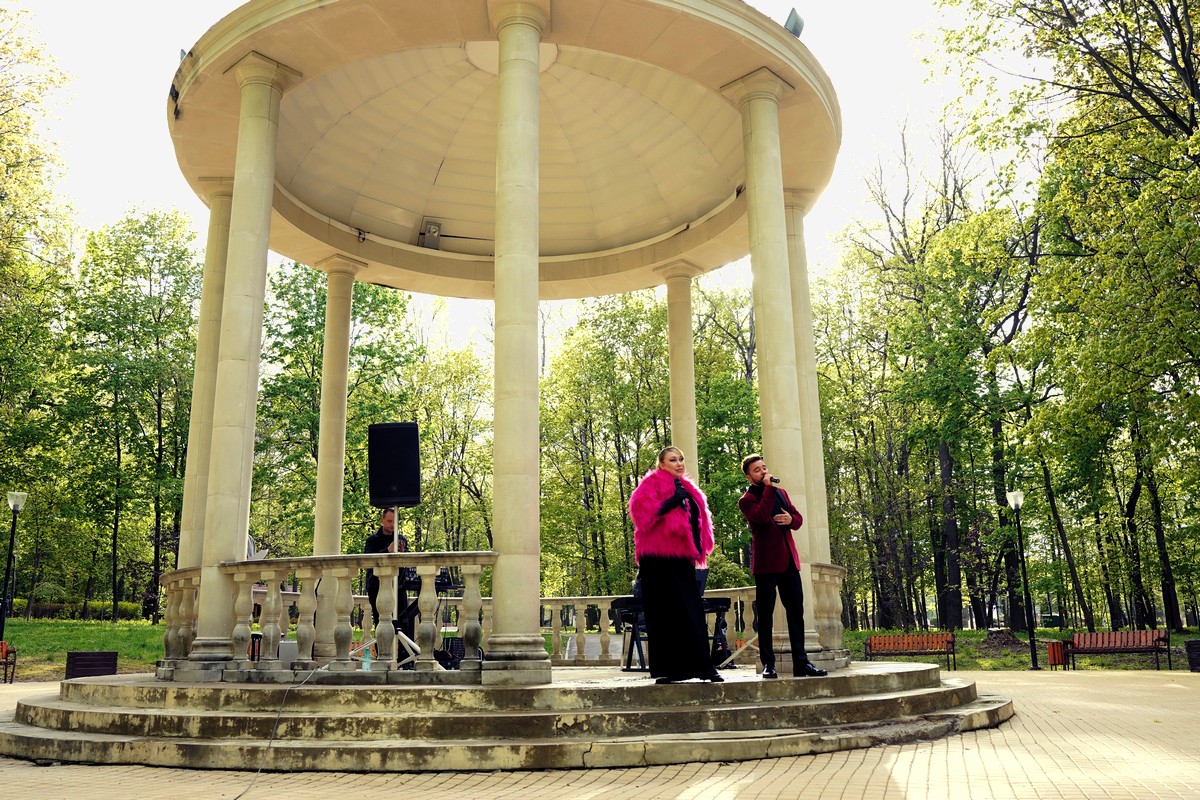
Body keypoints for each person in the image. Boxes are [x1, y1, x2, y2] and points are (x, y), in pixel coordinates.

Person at [628, 446, 722, 684]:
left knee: (690, 610)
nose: (679, 463)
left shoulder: (688, 488)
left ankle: (704, 668)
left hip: (681, 557)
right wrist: (670, 502)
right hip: (656, 558)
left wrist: (698, 548)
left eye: (681, 459)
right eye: (673, 460)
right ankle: (667, 670)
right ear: (661, 464)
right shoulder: (650, 484)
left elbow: (698, 521)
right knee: (662, 613)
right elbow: (640, 515)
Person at [738, 453, 827, 679]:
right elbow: (760, 517)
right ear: (749, 477)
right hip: (766, 564)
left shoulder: (781, 493)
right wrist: (768, 488)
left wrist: (791, 520)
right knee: (765, 616)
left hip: (788, 561)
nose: (763, 472)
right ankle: (768, 664)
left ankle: (801, 663)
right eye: (757, 470)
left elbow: (797, 518)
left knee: (796, 612)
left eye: (764, 467)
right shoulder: (746, 500)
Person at [363, 507, 413, 641]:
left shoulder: (401, 539)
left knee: (404, 623)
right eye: (389, 521)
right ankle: (382, 652)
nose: (392, 525)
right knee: (380, 621)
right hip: (377, 587)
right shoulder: (372, 540)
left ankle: (403, 653)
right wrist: (388, 550)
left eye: (395, 522)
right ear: (382, 520)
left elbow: (408, 563)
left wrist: (404, 553)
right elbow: (368, 561)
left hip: (398, 587)